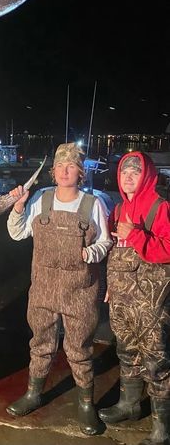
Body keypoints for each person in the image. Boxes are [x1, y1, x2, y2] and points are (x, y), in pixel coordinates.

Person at [5, 142, 112, 435]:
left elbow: (105, 242)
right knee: (40, 344)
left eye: (71, 167)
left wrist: (90, 254)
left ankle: (87, 404)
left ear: (80, 173)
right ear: (53, 172)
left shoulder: (94, 204)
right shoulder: (41, 199)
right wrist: (17, 206)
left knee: (79, 348)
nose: (65, 171)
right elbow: (17, 233)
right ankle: (33, 393)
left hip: (80, 291)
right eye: (60, 167)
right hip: (42, 289)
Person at [98, 152, 170, 445]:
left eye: (135, 171)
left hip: (151, 303)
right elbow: (116, 254)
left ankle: (162, 428)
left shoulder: (160, 206)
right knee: (126, 352)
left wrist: (138, 235)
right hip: (121, 300)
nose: (128, 176)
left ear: (147, 175)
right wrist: (111, 286)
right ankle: (129, 405)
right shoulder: (117, 209)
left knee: (157, 361)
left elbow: (167, 250)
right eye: (124, 171)